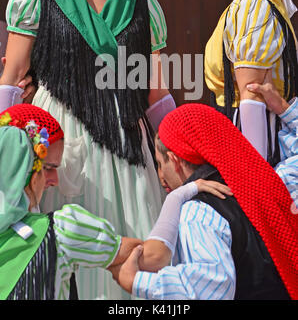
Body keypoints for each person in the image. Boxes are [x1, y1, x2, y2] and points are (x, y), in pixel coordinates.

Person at [0, 0, 176, 299]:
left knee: (133, 260)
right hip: (60, 149)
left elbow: (154, 95)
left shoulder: (142, 3)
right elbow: (12, 78)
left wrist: (183, 153)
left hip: (126, 152)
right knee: (66, 264)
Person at [0, 103, 232, 300]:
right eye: (48, 168)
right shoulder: (62, 230)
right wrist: (181, 193)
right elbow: (155, 256)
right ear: (24, 170)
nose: (55, 180)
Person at [112, 99, 298, 300]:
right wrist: (284, 108)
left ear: (174, 160)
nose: (159, 175)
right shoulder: (270, 183)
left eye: (159, 163)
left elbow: (211, 290)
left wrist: (137, 282)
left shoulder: (198, 212)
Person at [201, 0, 298, 165]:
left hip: (256, 147)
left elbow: (252, 94)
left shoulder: (253, 4)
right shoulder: (255, 0)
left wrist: (254, 177)